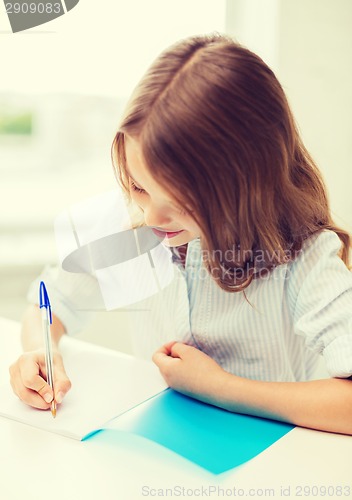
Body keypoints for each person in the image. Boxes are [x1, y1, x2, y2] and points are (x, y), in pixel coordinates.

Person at [9, 33, 352, 434]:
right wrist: (39, 350)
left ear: (245, 185)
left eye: (178, 202)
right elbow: (49, 303)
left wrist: (222, 388)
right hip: (155, 446)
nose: (151, 215)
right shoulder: (131, 220)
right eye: (139, 186)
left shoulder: (304, 254)